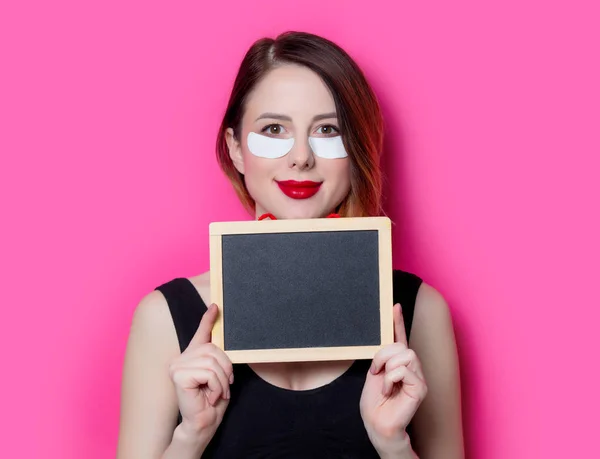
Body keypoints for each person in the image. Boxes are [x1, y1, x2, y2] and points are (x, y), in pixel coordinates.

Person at [117, 31, 464, 458]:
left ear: (356, 151)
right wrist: (191, 434)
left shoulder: (418, 311)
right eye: (274, 129)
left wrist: (392, 444)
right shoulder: (164, 318)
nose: (301, 156)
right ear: (236, 149)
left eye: (328, 129)